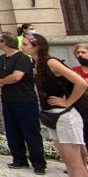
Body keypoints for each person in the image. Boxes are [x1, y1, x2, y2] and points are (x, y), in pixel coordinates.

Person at [23, 33, 88, 177]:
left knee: (73, 162)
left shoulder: (51, 62)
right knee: (67, 160)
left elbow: (81, 83)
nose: (22, 47)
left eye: (26, 44)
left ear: (37, 47)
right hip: (52, 116)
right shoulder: (36, 64)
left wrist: (68, 101)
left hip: (65, 116)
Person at [0, 31, 46, 174]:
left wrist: (0, 82)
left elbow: (16, 77)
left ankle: (39, 164)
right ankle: (19, 159)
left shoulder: (22, 58)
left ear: (5, 42)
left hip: (25, 100)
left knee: (30, 132)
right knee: (12, 131)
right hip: (8, 99)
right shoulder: (1, 58)